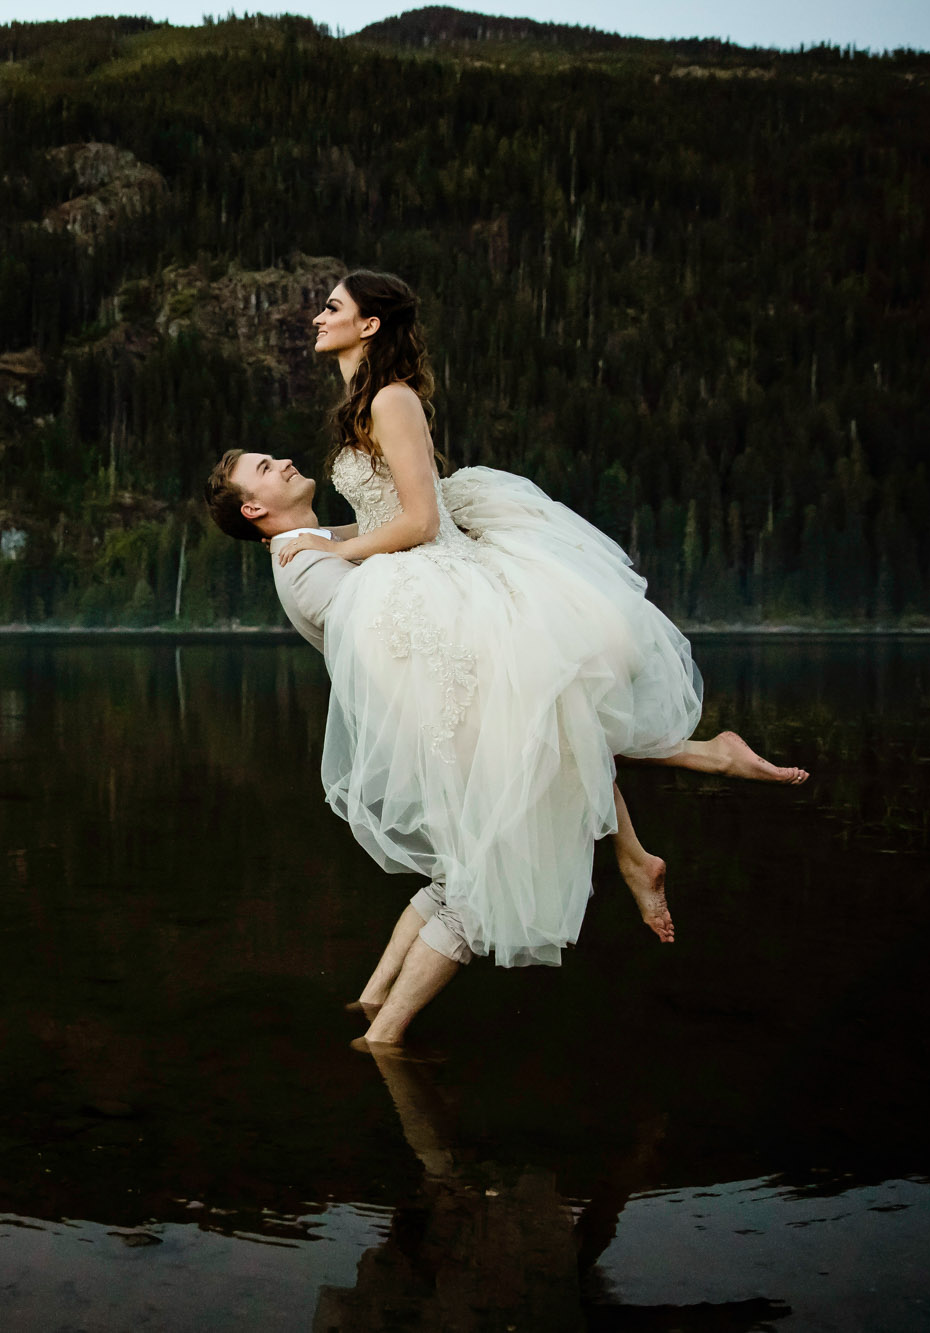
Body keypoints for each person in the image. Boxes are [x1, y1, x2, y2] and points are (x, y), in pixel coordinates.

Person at [202, 270, 808, 1050]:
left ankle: (656, 825)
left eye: (332, 308)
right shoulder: (361, 406)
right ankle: (672, 805)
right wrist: (331, 541)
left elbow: (419, 520)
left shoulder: (389, 402)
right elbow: (384, 514)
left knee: (544, 721)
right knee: (546, 723)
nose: (316, 317)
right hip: (421, 582)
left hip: (444, 577)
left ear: (370, 325)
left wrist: (333, 541)